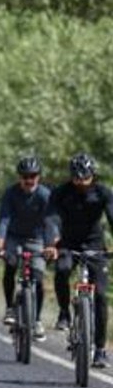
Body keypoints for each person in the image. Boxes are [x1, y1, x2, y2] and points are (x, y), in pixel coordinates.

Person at [45, 152, 113, 367]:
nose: (81, 183)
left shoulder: (103, 193)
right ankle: (65, 312)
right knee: (63, 270)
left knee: (101, 296)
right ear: (71, 177)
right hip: (68, 244)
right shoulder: (61, 193)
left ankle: (101, 350)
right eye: (77, 179)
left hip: (95, 246)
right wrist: (50, 243)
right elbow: (51, 217)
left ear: (93, 175)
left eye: (85, 178)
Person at [0, 156, 51, 341]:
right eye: (25, 176)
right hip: (14, 237)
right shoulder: (11, 193)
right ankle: (10, 308)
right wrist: (0, 246)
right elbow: (4, 219)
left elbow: (51, 222)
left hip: (37, 239)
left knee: (39, 277)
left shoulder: (44, 195)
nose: (29, 180)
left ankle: (37, 320)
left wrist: (51, 245)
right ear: (20, 177)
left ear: (38, 177)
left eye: (33, 176)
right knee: (10, 265)